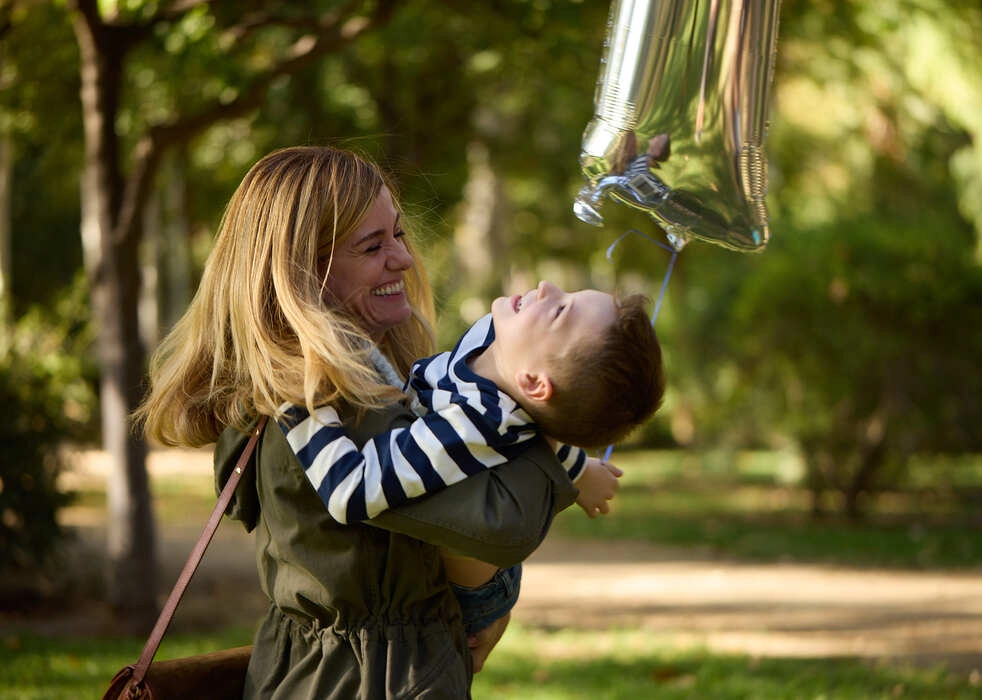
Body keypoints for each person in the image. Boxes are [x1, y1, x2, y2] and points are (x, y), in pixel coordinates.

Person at [135, 145, 585, 698]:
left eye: (397, 234)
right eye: (372, 246)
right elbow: (495, 526)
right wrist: (553, 445)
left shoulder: (346, 380)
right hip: (365, 681)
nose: (402, 257)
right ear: (301, 274)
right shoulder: (327, 398)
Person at [278, 280, 665, 635]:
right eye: (569, 294)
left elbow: (352, 490)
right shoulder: (501, 344)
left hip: (477, 593)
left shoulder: (473, 426)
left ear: (532, 382)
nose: (547, 287)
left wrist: (292, 396)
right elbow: (546, 420)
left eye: (559, 311)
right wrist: (581, 471)